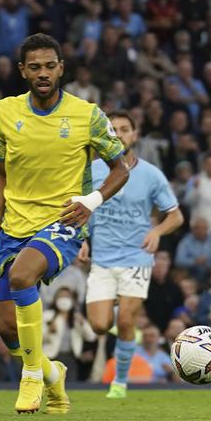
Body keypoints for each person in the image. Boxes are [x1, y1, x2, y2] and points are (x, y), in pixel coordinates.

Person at [0, 33, 128, 413]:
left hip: (63, 221)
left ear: (61, 68)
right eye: (35, 67)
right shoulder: (4, 113)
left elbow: (121, 168)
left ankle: (31, 377)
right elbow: (0, 175)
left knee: (20, 277)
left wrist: (92, 201)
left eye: (50, 66)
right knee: (6, 327)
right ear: (22, 71)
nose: (43, 73)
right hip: (14, 225)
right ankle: (52, 374)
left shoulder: (88, 115)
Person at [80, 109, 183, 399]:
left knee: (126, 321)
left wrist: (156, 232)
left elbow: (175, 216)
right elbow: (82, 210)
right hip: (102, 260)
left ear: (134, 135)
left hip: (136, 258)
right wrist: (82, 239)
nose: (118, 134)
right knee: (100, 325)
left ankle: (120, 383)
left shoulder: (151, 174)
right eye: (112, 129)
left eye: (124, 129)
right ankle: (123, 312)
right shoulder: (93, 171)